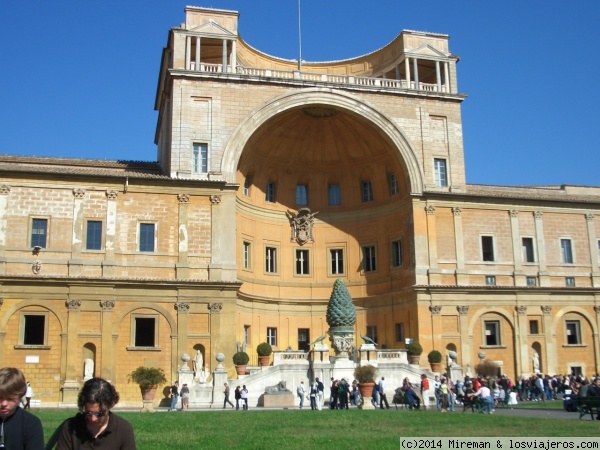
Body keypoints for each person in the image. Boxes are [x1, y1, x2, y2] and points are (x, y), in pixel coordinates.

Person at [56, 377, 136, 449]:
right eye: (88, 413)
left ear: (111, 404)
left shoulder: (123, 429)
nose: (93, 419)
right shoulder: (71, 427)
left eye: (100, 414)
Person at [0, 367, 44, 449]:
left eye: (10, 399)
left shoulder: (31, 424)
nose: (4, 403)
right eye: (0, 398)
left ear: (20, 396)